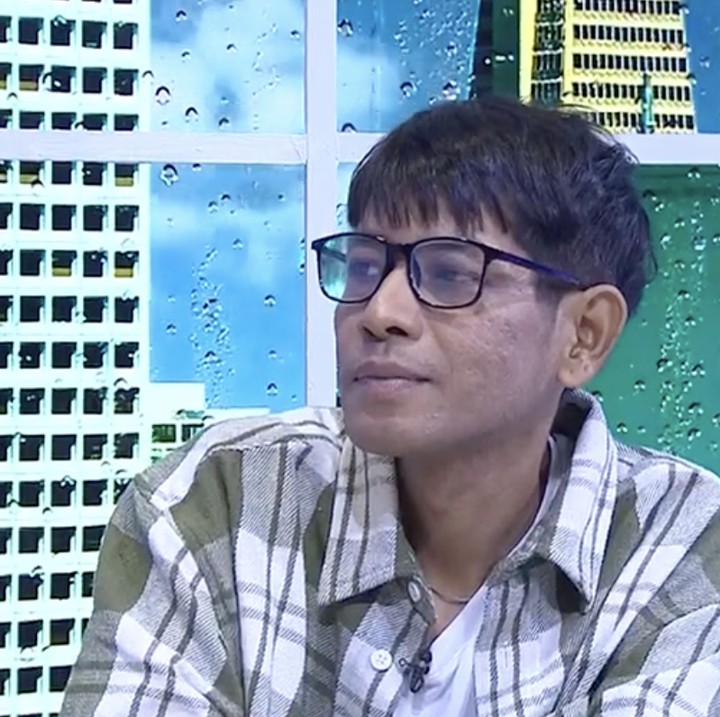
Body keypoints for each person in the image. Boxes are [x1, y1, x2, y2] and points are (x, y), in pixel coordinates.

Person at [60, 96, 720, 717]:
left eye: (452, 273)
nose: (380, 311)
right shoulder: (224, 501)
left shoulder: (683, 543)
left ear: (584, 335)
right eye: (364, 264)